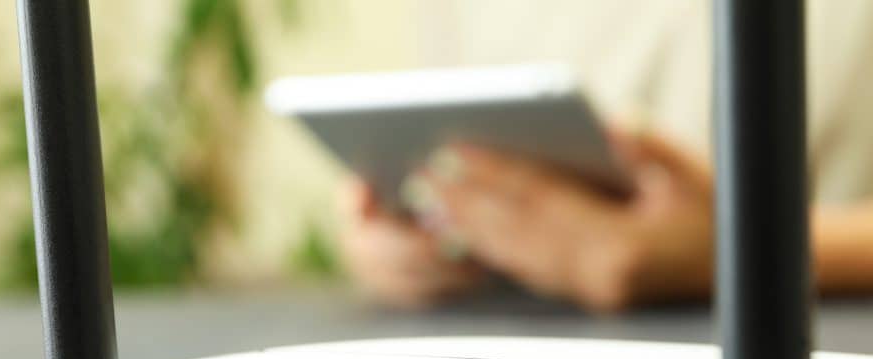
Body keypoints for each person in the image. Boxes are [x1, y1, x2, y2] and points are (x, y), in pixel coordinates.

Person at [340, 0, 873, 311]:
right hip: (509, 339)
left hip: (811, 342)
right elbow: (444, 138)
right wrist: (407, 223)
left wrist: (748, 251)